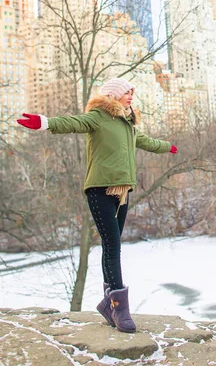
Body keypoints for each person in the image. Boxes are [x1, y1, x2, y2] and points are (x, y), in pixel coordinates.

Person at [17, 78, 178, 334]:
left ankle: (108, 303)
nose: (130, 97)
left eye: (132, 93)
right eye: (127, 93)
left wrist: (167, 147)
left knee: (111, 246)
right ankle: (119, 307)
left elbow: (145, 141)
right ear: (114, 96)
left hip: (123, 190)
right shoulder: (98, 117)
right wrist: (45, 122)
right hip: (100, 189)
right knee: (113, 245)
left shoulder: (128, 124)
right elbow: (74, 122)